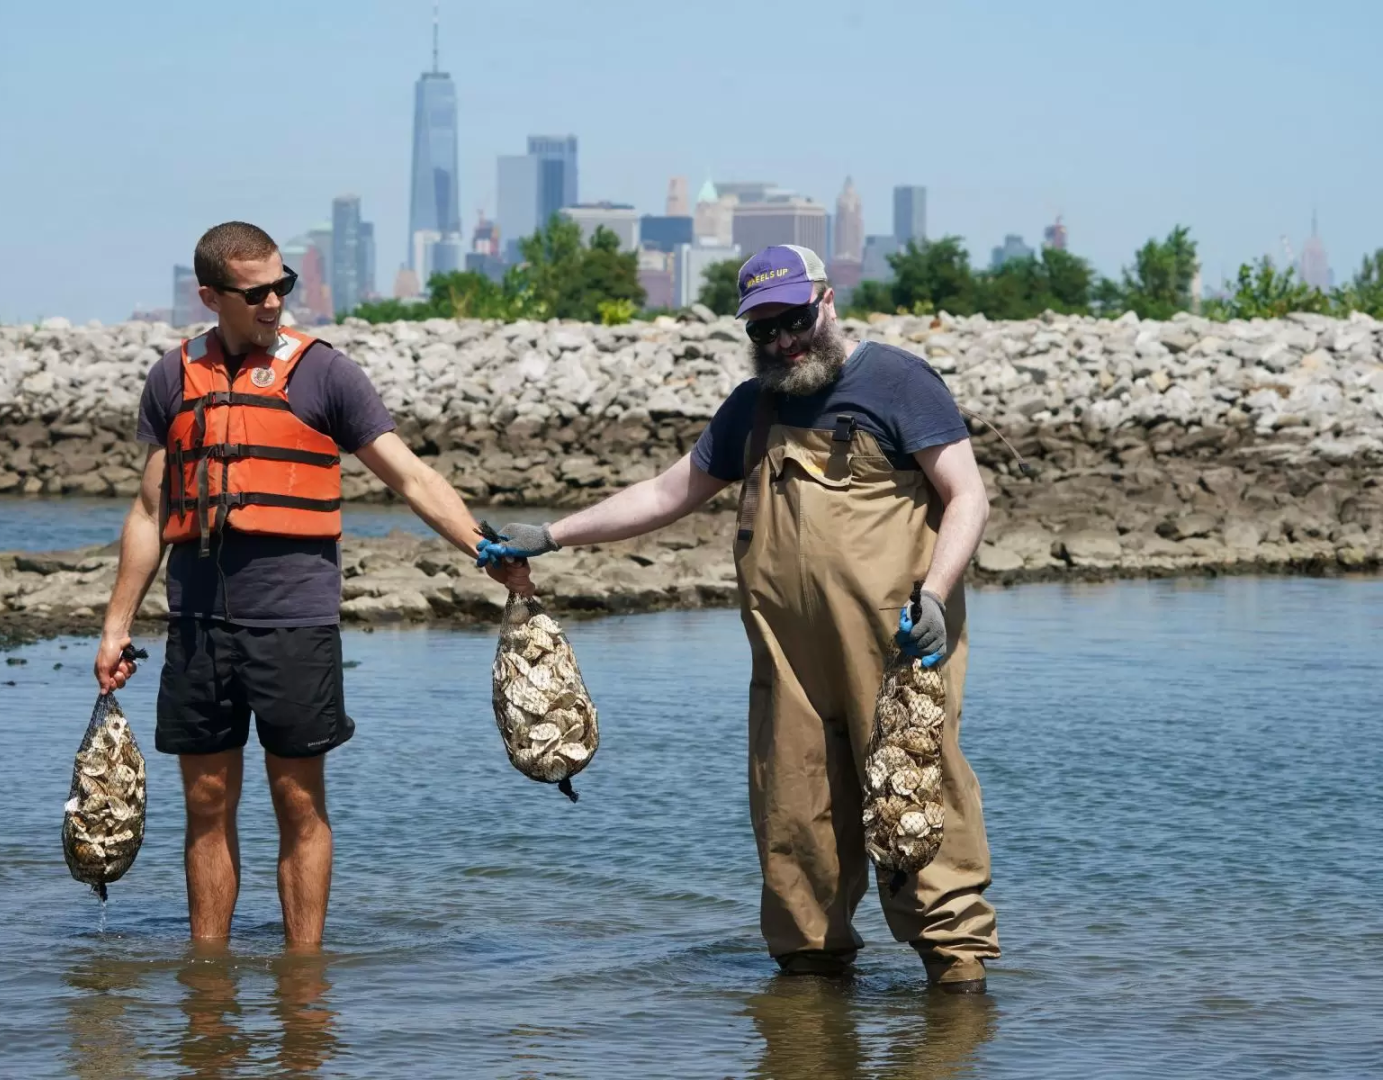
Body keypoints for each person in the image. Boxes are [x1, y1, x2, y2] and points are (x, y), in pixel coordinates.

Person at [477, 245, 1000, 992]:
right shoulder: (752, 408)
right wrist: (551, 535)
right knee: (794, 817)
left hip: (899, 653)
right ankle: (811, 992)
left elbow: (968, 495)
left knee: (920, 806)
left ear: (825, 301)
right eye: (763, 330)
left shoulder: (898, 381)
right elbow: (667, 492)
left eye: (792, 320)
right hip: (787, 665)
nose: (783, 342)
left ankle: (957, 991)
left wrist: (939, 597)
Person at [93, 221, 527, 947]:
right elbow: (149, 510)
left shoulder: (326, 373)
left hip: (295, 624)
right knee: (205, 801)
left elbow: (411, 476)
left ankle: (304, 982)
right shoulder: (173, 377)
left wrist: (482, 547)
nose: (275, 303)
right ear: (210, 296)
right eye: (256, 292)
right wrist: (115, 626)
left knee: (298, 799)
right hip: (198, 623)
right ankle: (209, 984)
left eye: (282, 285)